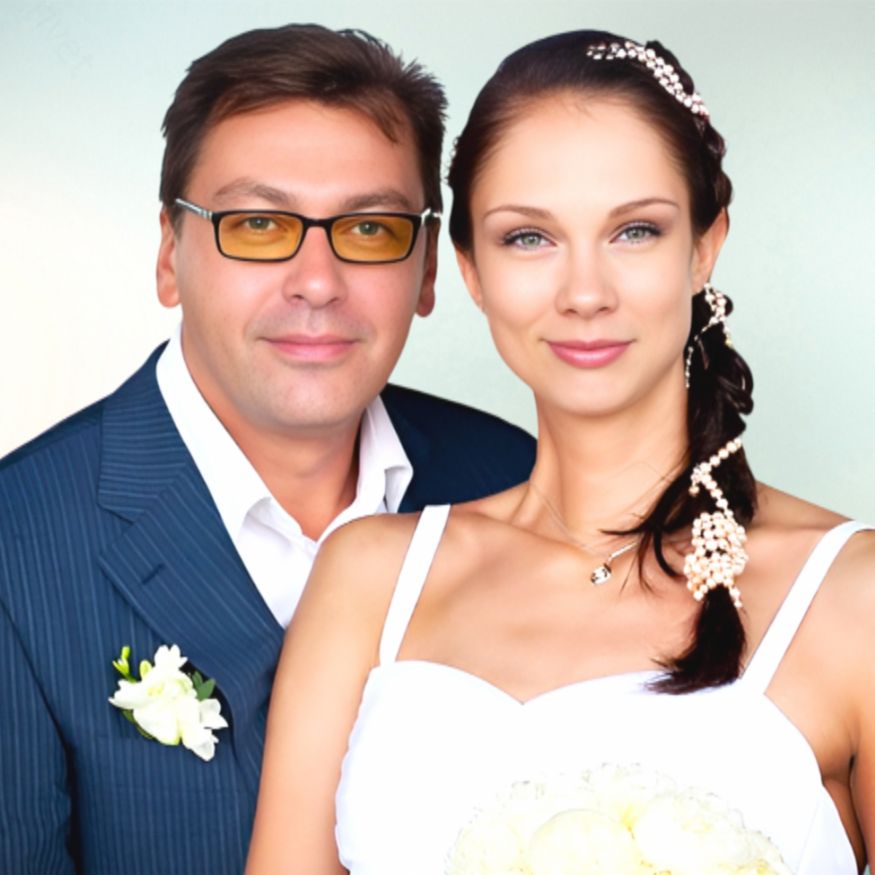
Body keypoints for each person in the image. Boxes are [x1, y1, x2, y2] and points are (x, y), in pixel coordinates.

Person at [246, 29, 875, 875]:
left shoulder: (852, 596)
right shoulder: (368, 577)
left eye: (635, 231)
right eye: (527, 238)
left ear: (703, 246)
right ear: (468, 269)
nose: (584, 293)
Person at [0, 24, 536, 875]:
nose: (317, 282)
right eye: (256, 224)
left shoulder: (513, 478)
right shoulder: (18, 545)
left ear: (427, 267)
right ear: (169, 254)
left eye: (369, 229)